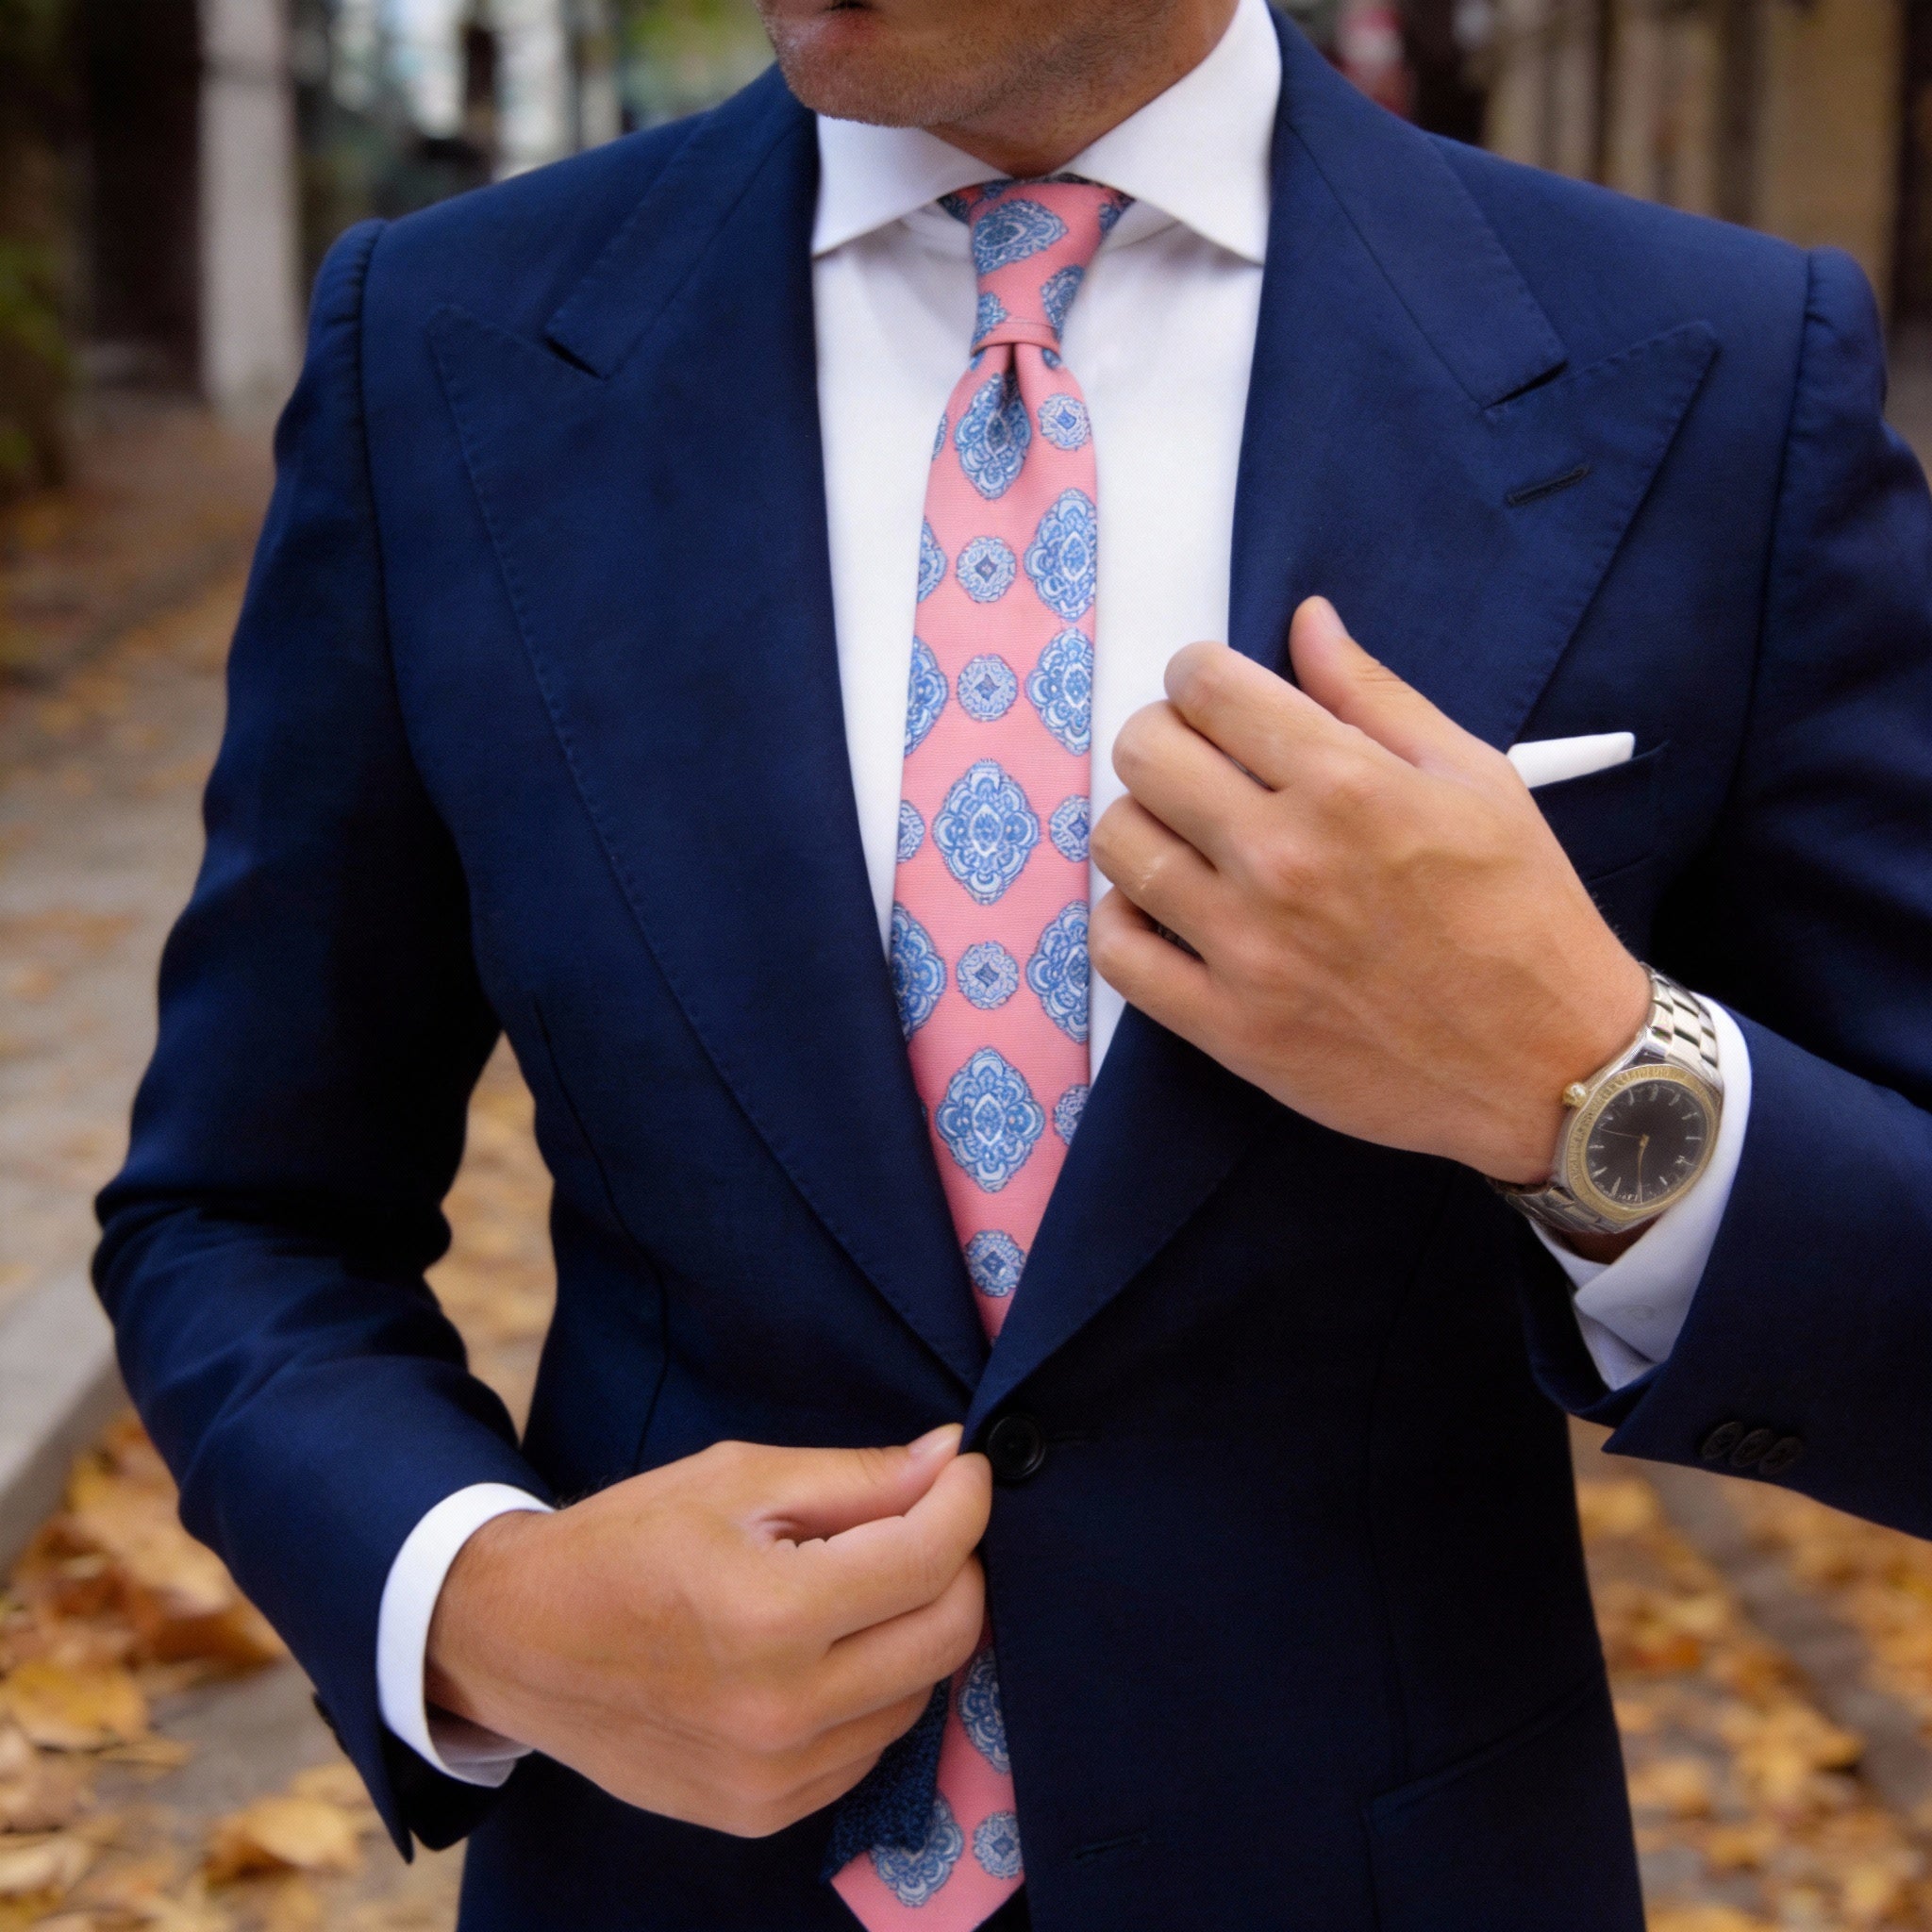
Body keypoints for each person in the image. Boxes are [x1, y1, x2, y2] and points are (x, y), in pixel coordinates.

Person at [93, 0, 1932, 1924]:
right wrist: (479, 1603)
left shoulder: (1709, 368)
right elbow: (239, 1207)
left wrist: (1586, 1076)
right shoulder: (446, 346)